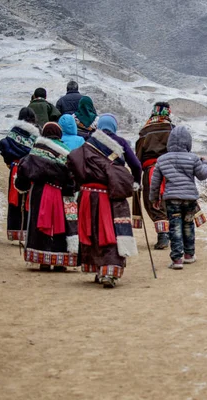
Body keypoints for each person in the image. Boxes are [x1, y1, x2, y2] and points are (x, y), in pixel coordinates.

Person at [67, 114, 139, 288]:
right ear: (114, 127)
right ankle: (109, 272)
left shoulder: (88, 143)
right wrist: (135, 182)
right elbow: (136, 165)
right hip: (109, 194)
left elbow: (73, 164)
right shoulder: (120, 143)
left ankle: (98, 269)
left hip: (86, 195)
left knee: (92, 231)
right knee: (111, 232)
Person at [14, 122, 79, 272]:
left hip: (39, 192)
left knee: (38, 223)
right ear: (59, 134)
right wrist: (71, 191)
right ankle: (60, 261)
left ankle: (43, 260)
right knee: (59, 226)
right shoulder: (66, 153)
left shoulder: (35, 151)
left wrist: (22, 186)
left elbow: (23, 171)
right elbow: (72, 176)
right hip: (60, 193)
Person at [149, 126, 207, 270]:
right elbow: (203, 175)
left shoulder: (162, 160)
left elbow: (155, 182)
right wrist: (206, 163)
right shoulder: (193, 158)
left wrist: (154, 199)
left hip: (171, 199)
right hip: (189, 199)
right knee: (188, 225)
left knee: (174, 227)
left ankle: (177, 259)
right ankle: (189, 255)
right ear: (188, 143)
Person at [133, 102, 173, 250]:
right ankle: (172, 234)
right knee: (170, 201)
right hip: (171, 171)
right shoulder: (172, 130)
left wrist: (136, 175)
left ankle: (163, 235)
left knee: (154, 202)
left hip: (151, 171)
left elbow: (138, 156)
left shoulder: (145, 131)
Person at [0, 107, 39, 241]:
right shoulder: (35, 135)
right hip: (30, 169)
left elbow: (3, 146)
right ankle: (27, 233)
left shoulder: (11, 134)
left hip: (15, 168)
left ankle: (15, 231)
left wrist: (9, 162)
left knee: (15, 200)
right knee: (29, 199)